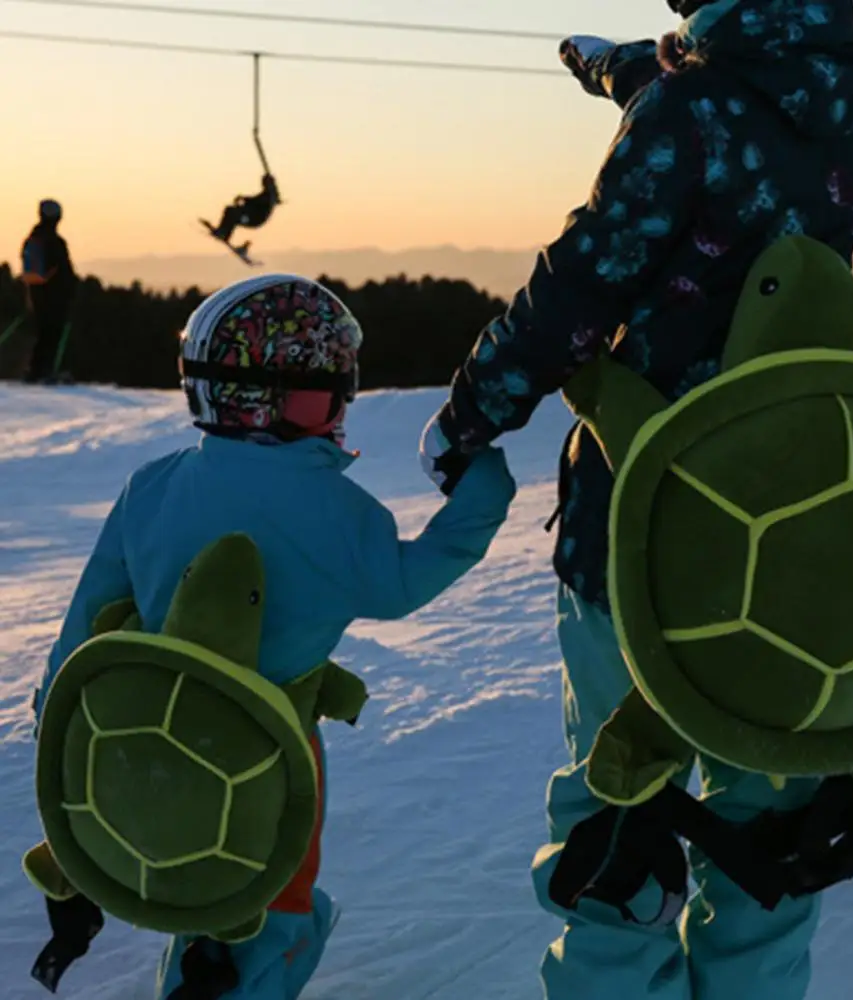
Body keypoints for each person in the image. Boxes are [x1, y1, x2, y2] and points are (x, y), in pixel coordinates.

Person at [418, 1, 853, 999]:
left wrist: (470, 413)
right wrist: (623, 72)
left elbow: (580, 286)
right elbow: (735, 113)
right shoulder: (849, 96)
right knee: (763, 831)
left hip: (643, 528)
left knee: (615, 824)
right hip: (793, 527)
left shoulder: (687, 110)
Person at [30, 274, 516, 1000]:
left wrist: (60, 733)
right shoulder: (338, 512)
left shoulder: (152, 486)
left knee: (195, 878)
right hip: (272, 754)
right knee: (268, 910)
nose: (339, 407)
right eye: (328, 390)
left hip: (141, 747)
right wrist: (483, 491)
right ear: (286, 398)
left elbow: (81, 633)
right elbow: (405, 583)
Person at [20, 198, 78, 383]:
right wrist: (72, 289)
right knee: (53, 333)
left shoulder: (32, 238)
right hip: (55, 295)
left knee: (42, 332)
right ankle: (46, 370)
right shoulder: (56, 241)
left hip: (35, 292)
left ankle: (35, 369)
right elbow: (64, 270)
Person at [207, 174, 282, 247]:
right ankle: (223, 231)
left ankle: (224, 234)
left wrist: (243, 199)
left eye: (264, 183)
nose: (263, 184)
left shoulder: (269, 196)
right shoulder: (267, 194)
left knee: (234, 214)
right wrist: (242, 200)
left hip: (253, 220)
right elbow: (254, 201)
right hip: (250, 216)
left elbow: (255, 201)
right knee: (230, 210)